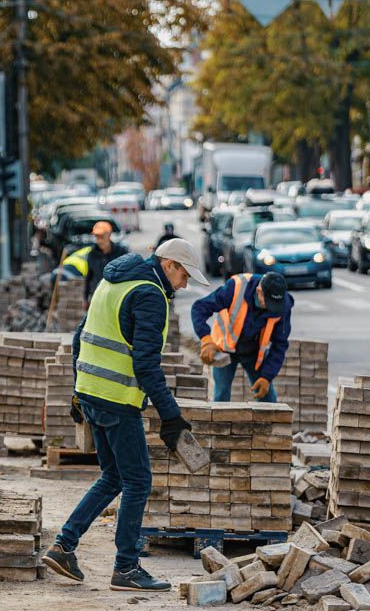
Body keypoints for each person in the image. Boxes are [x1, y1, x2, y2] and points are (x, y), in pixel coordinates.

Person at [42, 239, 210, 592]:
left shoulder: (112, 280)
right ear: (168, 265)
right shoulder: (150, 294)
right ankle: (127, 568)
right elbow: (146, 365)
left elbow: (80, 336)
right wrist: (171, 416)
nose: (184, 285)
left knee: (113, 476)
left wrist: (77, 389)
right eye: (184, 276)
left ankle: (63, 546)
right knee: (137, 481)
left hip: (92, 392)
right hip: (117, 400)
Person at [191, 271, 293, 403]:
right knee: (221, 394)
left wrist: (267, 377)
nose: (270, 307)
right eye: (267, 302)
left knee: (268, 397)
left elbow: (280, 344)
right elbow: (199, 308)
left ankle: (269, 423)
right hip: (225, 348)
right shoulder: (237, 287)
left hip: (253, 352)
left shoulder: (282, 306)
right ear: (259, 291)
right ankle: (218, 423)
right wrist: (206, 340)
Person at [82, 220, 131, 302]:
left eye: (102, 236)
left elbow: (128, 274)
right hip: (98, 295)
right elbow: (89, 276)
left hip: (116, 296)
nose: (99, 240)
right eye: (97, 237)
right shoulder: (92, 254)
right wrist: (85, 297)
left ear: (109, 235)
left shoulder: (121, 252)